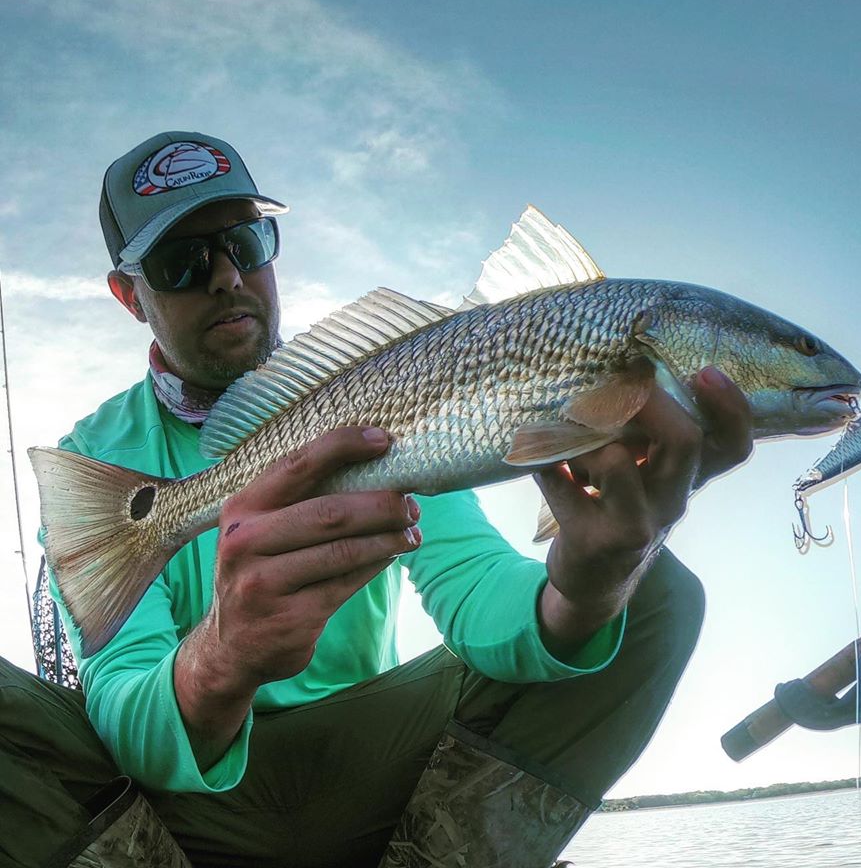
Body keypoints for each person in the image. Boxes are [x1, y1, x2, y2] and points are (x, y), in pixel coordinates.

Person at [3, 131, 752, 868]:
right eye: (180, 262)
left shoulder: (385, 390)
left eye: (247, 242)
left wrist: (585, 585)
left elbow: (474, 586)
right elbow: (121, 702)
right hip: (185, 807)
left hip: (373, 758)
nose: (226, 276)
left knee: (648, 593)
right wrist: (221, 661)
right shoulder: (96, 458)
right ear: (130, 296)